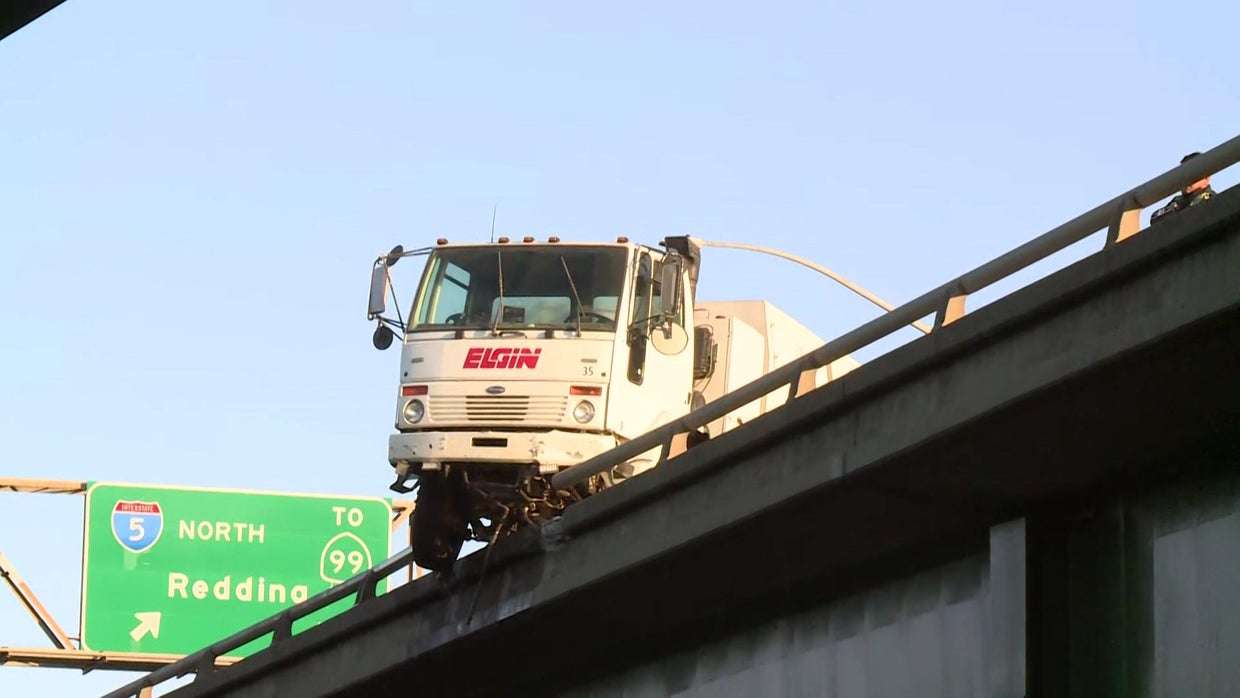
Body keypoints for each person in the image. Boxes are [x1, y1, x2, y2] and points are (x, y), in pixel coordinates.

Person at [1150, 152, 1215, 225]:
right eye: (1183, 174)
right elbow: (1155, 219)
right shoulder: (1177, 201)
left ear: (1206, 178)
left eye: (1192, 174)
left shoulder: (1212, 201)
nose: (1187, 179)